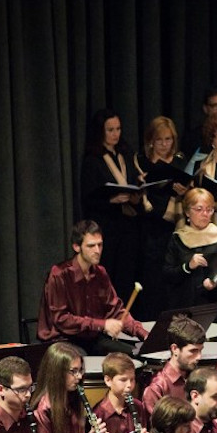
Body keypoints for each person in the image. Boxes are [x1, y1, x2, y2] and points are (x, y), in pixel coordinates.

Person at [37, 220, 148, 354]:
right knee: (80, 363)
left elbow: (116, 311)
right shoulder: (59, 274)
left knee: (133, 353)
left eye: (100, 245)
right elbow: (62, 320)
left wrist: (143, 333)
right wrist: (102, 324)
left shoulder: (100, 273)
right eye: (91, 246)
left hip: (91, 339)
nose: (97, 251)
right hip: (62, 340)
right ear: (77, 247)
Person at [80, 109, 143, 299]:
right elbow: (89, 198)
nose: (116, 134)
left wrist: (135, 195)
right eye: (110, 130)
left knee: (126, 278)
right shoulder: (93, 160)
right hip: (107, 226)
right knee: (108, 277)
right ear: (100, 132)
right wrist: (111, 200)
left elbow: (135, 182)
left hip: (128, 226)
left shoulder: (125, 155)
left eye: (118, 129)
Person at [134, 116, 190, 319]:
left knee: (174, 281)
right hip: (152, 229)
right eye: (160, 140)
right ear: (151, 141)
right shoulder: (142, 163)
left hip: (176, 228)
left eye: (168, 139)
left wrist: (183, 190)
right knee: (153, 282)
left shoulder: (180, 161)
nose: (165, 144)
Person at [162, 187, 217, 321]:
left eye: (209, 209)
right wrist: (188, 266)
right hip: (183, 305)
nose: (205, 214)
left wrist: (215, 280)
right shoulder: (178, 238)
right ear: (187, 212)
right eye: (199, 209)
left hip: (213, 306)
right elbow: (168, 274)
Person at [91, 352, 151, 433]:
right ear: (108, 380)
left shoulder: (138, 406)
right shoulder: (99, 414)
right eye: (123, 380)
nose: (129, 385)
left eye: (132, 380)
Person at [143, 315, 206, 412]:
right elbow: (157, 426)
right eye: (193, 351)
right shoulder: (157, 388)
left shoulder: (196, 377)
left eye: (200, 351)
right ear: (175, 349)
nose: (199, 357)